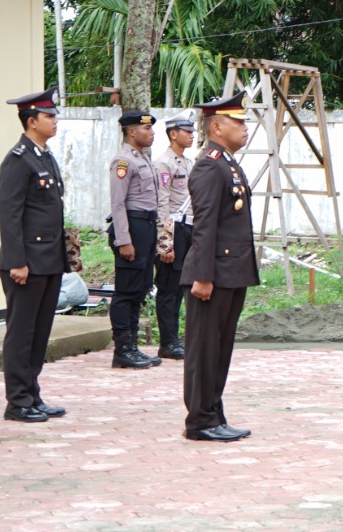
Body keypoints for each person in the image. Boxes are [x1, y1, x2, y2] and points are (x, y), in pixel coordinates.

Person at [181, 91, 260, 442]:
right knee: (204, 350)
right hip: (212, 273)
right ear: (217, 125)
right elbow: (205, 225)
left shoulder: (226, 162)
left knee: (220, 349)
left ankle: (214, 413)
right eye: (238, 121)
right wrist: (203, 277)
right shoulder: (210, 165)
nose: (245, 128)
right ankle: (199, 420)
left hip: (231, 271)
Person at [0, 89, 71, 423]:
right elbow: (9, 214)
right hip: (25, 263)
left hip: (49, 260)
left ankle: (32, 393)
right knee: (22, 332)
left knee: (39, 332)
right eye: (49, 116)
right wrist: (16, 261)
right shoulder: (18, 160)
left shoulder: (44, 156)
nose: (54, 121)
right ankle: (17, 401)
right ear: (31, 121)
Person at [107, 110, 163, 369]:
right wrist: (123, 240)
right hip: (132, 227)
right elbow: (118, 205)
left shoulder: (143, 159)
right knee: (126, 291)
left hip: (146, 227)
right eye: (146, 129)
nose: (151, 133)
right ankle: (122, 348)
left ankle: (133, 346)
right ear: (132, 131)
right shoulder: (123, 161)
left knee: (140, 289)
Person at [153, 113, 196, 361]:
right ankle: (167, 342)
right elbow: (162, 204)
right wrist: (164, 243)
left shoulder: (188, 164)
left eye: (191, 131)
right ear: (172, 134)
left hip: (189, 227)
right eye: (186, 131)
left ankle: (177, 338)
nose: (191, 135)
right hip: (174, 229)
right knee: (169, 288)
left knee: (183, 287)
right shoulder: (164, 164)